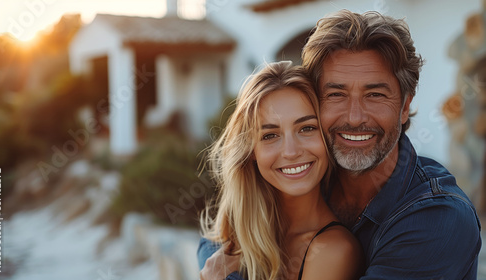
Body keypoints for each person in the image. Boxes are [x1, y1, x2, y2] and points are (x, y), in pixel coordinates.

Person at [198, 10, 482, 279]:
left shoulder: (438, 219)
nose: (355, 118)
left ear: (405, 106)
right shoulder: (307, 175)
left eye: (375, 95)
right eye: (336, 94)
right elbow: (218, 240)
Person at [199, 61, 363, 280]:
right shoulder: (240, 231)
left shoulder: (333, 249)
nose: (291, 151)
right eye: (270, 135)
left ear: (326, 137)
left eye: (307, 128)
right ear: (251, 151)